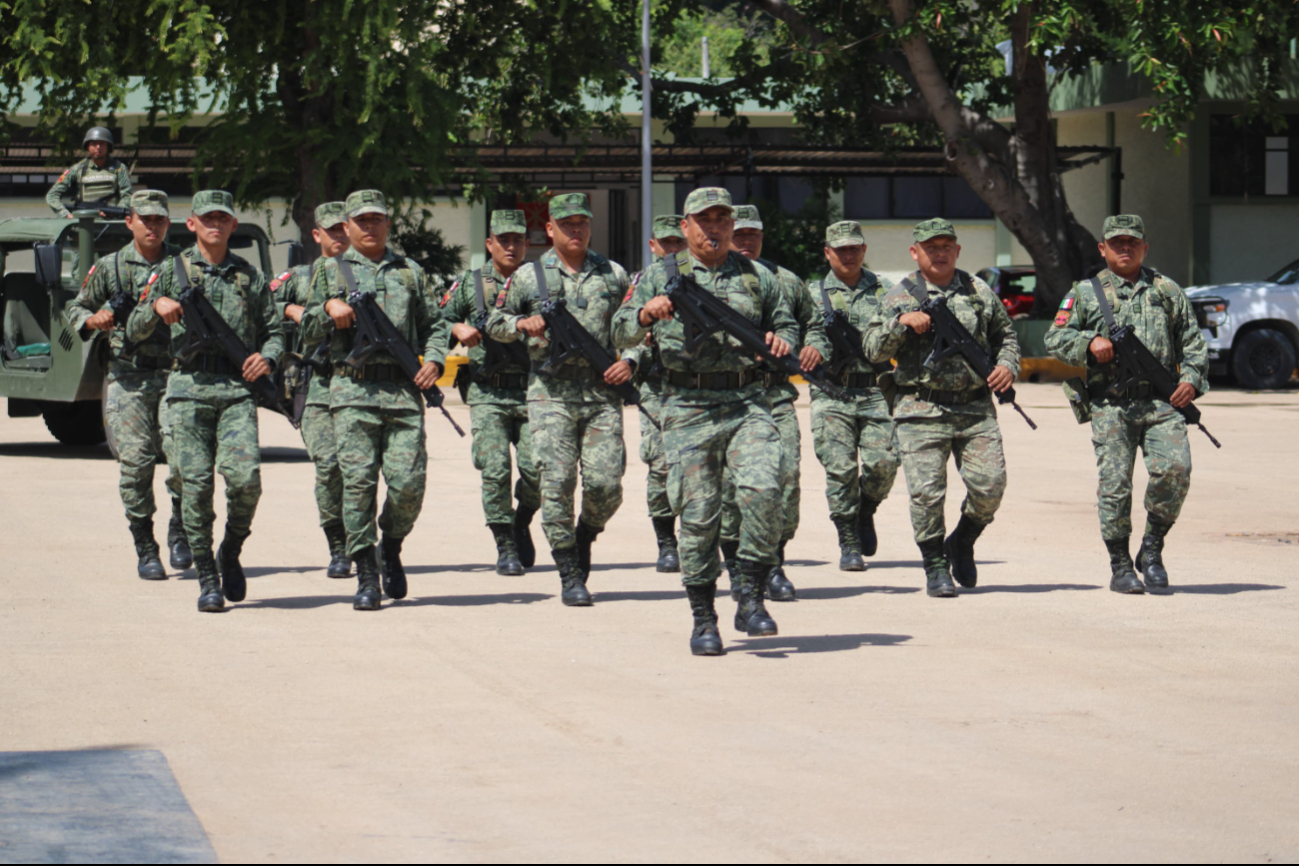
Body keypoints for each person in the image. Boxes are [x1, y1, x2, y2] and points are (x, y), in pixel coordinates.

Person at [613, 187, 799, 656]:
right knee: (698, 516)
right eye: (704, 220)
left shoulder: (758, 277)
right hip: (687, 406)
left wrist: (782, 339)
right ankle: (703, 617)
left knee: (764, 491)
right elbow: (617, 330)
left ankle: (751, 594)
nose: (713, 227)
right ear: (686, 227)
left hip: (747, 401)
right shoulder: (658, 276)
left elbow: (789, 322)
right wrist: (644, 313)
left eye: (722, 219)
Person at [126, 190, 284, 612]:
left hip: (235, 392)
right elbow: (133, 329)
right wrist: (155, 306)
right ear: (191, 224)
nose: (216, 224)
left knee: (246, 481)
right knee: (195, 487)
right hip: (187, 390)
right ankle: (208, 579)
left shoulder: (249, 276)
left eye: (224, 218)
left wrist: (267, 357)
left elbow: (275, 331)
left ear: (233, 225)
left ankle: (230, 550)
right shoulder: (169, 272)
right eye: (207, 217)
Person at [1043, 214, 1208, 594]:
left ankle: (1151, 549)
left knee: (1176, 471)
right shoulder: (1085, 293)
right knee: (1115, 486)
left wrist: (1191, 380)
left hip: (1163, 405)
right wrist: (1087, 343)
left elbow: (1194, 344)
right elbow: (1055, 337)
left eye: (1132, 242)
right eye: (1117, 243)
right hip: (1111, 406)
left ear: (1144, 247)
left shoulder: (1166, 290)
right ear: (1103, 249)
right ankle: (1120, 565)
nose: (1125, 248)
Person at [302, 190, 449, 611]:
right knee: (358, 485)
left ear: (388, 223)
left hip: (403, 393)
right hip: (351, 393)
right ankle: (366, 572)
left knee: (408, 486)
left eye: (376, 219)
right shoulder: (331, 271)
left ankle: (392, 546)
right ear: (346, 226)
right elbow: (308, 329)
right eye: (360, 220)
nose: (369, 227)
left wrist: (435, 361)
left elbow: (435, 324)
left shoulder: (409, 273)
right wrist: (328, 307)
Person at [485, 193, 634, 607]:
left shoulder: (613, 273)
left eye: (582, 223)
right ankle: (569, 570)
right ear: (550, 229)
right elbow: (494, 320)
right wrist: (519, 323)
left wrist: (633, 360)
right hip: (550, 393)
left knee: (607, 485)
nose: (576, 230)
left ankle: (584, 534)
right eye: (567, 224)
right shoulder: (530, 277)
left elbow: (637, 327)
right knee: (557, 483)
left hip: (602, 393)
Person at [862, 219, 1020, 598]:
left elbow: (1006, 336)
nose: (940, 252)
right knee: (927, 494)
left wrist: (1007, 366)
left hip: (975, 409)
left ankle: (962, 541)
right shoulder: (898, 295)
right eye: (931, 246)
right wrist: (900, 324)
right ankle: (934, 565)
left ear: (958, 250)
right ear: (915, 252)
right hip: (920, 408)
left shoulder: (979, 290)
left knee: (990, 487)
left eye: (947, 245)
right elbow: (871, 349)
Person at [66, 190, 187, 579]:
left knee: (186, 457)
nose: (153, 226)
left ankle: (181, 529)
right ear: (129, 221)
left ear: (168, 223)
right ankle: (145, 545)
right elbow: (76, 306)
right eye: (145, 219)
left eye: (160, 220)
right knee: (136, 464)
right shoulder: (111, 267)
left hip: (177, 373)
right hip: (128, 375)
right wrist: (93, 318)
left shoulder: (184, 265)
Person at [720, 204, 828, 601]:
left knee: (783, 480)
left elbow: (814, 323)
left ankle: (774, 563)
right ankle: (738, 565)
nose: (747, 242)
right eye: (740, 234)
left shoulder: (785, 280)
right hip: (727, 397)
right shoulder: (715, 279)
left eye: (754, 235)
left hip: (775, 395)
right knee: (733, 487)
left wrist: (814, 344)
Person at [440, 210, 539, 575]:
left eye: (518, 240)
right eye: (504, 240)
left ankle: (522, 520)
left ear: (527, 243)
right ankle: (505, 544)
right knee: (495, 468)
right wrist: (458, 326)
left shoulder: (541, 281)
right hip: (487, 392)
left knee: (538, 471)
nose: (511, 247)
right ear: (490, 243)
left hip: (534, 391)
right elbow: (438, 319)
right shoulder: (469, 283)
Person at [809, 220, 900, 571]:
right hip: (832, 392)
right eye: (840, 249)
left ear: (863, 250)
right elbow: (802, 330)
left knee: (884, 464)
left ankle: (866, 509)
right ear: (828, 252)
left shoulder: (887, 290)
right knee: (840, 468)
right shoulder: (812, 293)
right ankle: (848, 539)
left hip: (878, 391)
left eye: (854, 248)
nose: (848, 255)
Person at [270, 201, 351, 579]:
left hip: (359, 384)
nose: (341, 236)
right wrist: (292, 310)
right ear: (317, 234)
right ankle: (338, 545)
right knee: (329, 466)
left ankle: (363, 541)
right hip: (316, 385)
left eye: (344, 228)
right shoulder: (301, 277)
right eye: (332, 230)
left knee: (360, 469)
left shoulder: (365, 275)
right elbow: (262, 300)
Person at [626, 214, 687, 573]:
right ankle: (667, 541)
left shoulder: (701, 277)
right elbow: (624, 329)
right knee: (661, 464)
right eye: (666, 244)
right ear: (653, 247)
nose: (673, 250)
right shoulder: (643, 282)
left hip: (695, 384)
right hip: (655, 386)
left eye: (677, 243)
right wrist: (639, 345)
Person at [46, 127, 133, 218]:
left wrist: (115, 213)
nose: (98, 147)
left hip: (112, 222)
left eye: (102, 143)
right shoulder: (77, 169)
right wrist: (66, 215)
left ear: (108, 146)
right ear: (88, 146)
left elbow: (127, 196)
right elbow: (52, 195)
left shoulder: (119, 168)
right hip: (85, 222)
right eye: (94, 143)